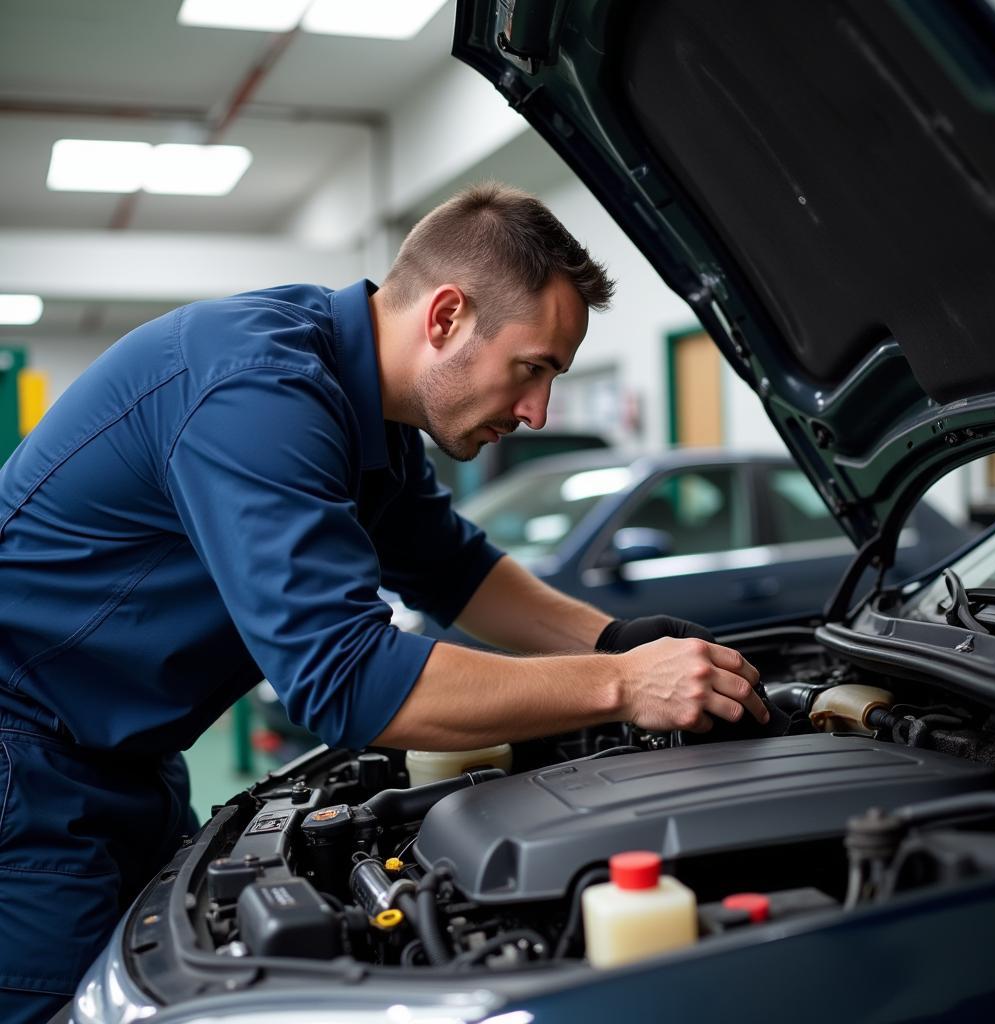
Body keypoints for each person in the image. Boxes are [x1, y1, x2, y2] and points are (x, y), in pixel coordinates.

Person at [0, 183, 768, 1021]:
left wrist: (614, 637)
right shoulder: (258, 392)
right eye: (533, 368)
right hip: (26, 764)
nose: (538, 411)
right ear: (445, 318)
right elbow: (348, 681)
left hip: (120, 760)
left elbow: (453, 570)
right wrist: (621, 686)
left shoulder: (367, 411)